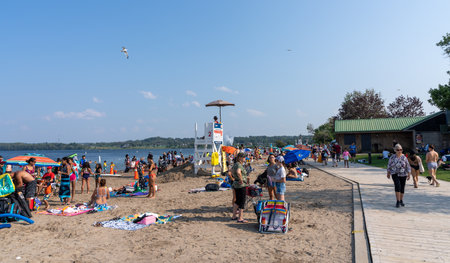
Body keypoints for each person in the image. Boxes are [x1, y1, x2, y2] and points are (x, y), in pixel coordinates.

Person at [231, 153, 249, 223]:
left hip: (236, 184)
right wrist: (241, 179)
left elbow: (231, 171)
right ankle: (240, 218)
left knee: (237, 201)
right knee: (242, 201)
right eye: (244, 157)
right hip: (241, 185)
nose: (245, 159)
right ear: (240, 158)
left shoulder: (235, 164)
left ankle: (234, 216)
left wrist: (235, 178)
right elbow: (238, 172)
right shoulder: (239, 165)